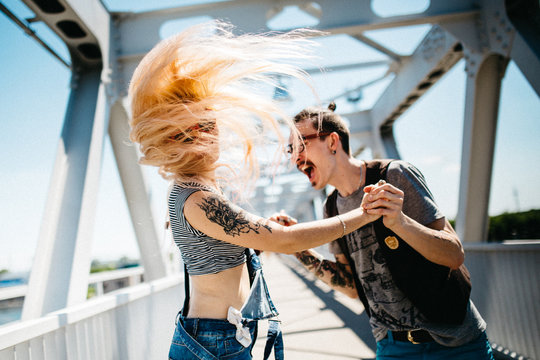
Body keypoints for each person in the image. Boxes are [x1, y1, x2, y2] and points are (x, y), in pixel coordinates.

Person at [128, 21, 377, 360]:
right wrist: (362, 215)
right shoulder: (196, 198)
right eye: (201, 129)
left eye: (210, 124)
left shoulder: (197, 190)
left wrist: (257, 240)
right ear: (180, 143)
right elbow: (283, 240)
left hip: (221, 337)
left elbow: (226, 256)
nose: (213, 133)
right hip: (211, 343)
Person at [273, 102, 494, 359]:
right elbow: (352, 286)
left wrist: (400, 222)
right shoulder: (331, 208)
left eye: (301, 145)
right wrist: (297, 247)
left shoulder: (394, 175)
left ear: (332, 142)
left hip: (455, 343)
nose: (294, 158)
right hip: (392, 348)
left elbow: (454, 255)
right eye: (291, 150)